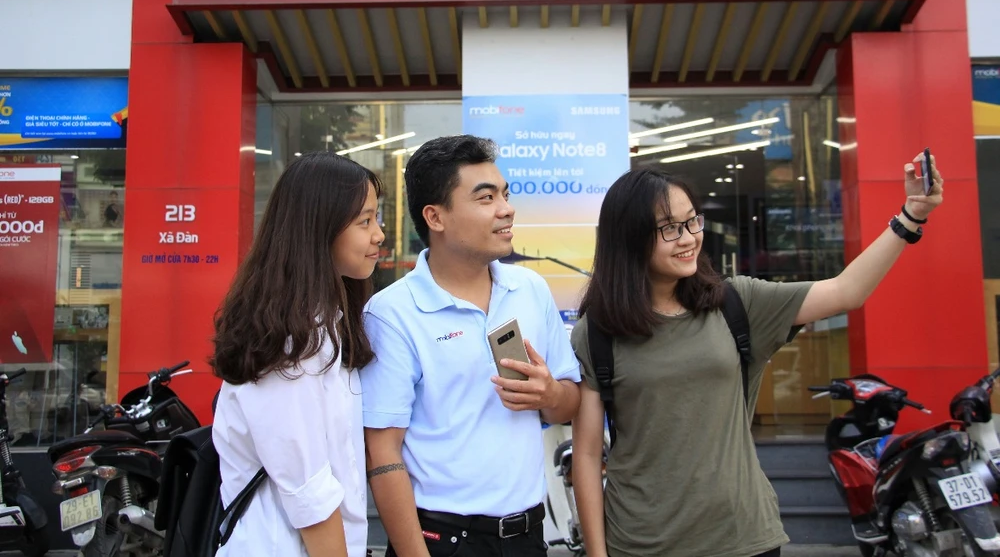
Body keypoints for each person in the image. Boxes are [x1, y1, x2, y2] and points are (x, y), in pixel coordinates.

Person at [570, 152, 944, 557]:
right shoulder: (599, 332)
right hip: (641, 542)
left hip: (742, 536)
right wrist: (597, 554)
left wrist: (910, 217)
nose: (689, 237)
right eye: (670, 228)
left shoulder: (736, 303)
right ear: (629, 237)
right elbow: (587, 455)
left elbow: (845, 291)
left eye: (692, 221)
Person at [361, 134, 582, 557]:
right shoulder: (391, 313)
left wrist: (550, 394)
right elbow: (383, 453)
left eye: (505, 194)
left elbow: (568, 405)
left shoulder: (530, 289)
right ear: (435, 217)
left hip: (528, 537)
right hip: (441, 540)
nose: (506, 208)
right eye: (485, 197)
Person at [210, 152, 385, 557]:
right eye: (364, 221)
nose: (378, 234)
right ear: (318, 228)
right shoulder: (292, 339)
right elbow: (309, 492)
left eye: (375, 219)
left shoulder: (325, 323)